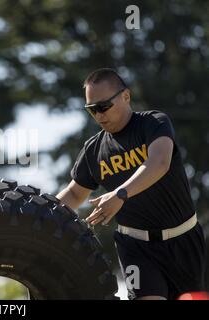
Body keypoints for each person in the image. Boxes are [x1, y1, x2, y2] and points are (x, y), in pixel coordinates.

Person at [56, 68, 206, 300]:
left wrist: (120, 194)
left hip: (184, 241)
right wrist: (39, 215)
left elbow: (160, 162)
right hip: (136, 247)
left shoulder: (154, 123)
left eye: (104, 106)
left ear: (126, 96)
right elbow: (75, 194)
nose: (98, 115)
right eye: (91, 109)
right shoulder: (93, 150)